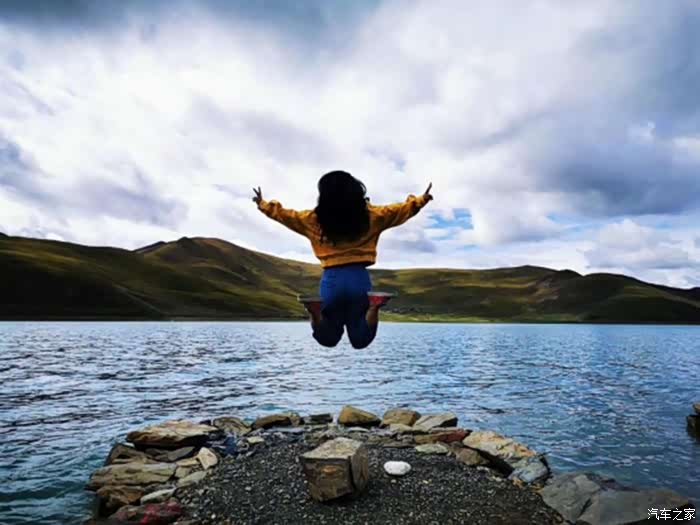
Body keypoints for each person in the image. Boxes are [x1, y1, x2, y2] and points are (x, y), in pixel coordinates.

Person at [253, 170, 433, 348]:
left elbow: (285, 216)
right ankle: (374, 306)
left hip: (332, 280)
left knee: (328, 338)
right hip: (358, 279)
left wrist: (262, 204)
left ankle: (314, 310)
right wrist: (420, 200)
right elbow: (398, 211)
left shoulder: (312, 219)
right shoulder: (372, 215)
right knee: (360, 339)